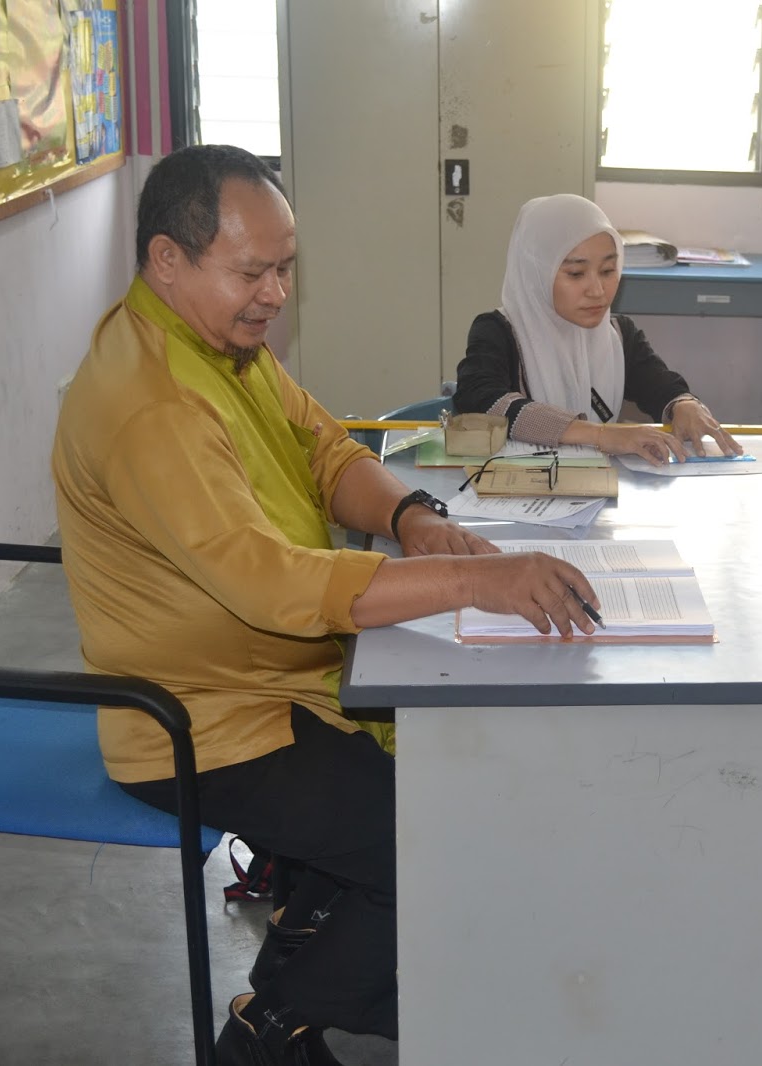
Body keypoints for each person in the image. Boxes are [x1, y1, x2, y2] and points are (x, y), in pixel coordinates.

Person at [52, 145, 601, 1066]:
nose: (275, 295)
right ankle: (268, 1029)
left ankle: (308, 972)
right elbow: (274, 584)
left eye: (286, 268)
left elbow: (325, 448)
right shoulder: (154, 403)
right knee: (435, 840)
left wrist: (412, 515)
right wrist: (479, 579)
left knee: (438, 800)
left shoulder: (218, 346)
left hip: (277, 684)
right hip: (201, 720)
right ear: (166, 259)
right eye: (252, 273)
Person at [453, 193, 741, 460]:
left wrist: (684, 404)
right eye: (576, 273)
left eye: (607, 271)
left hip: (593, 484)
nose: (597, 290)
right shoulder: (498, 331)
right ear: (536, 273)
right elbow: (481, 402)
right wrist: (601, 435)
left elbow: (660, 384)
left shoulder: (617, 334)